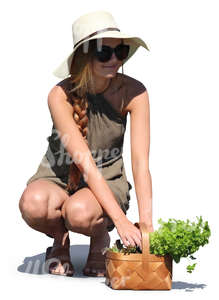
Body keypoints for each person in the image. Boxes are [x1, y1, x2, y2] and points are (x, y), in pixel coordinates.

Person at [19, 10, 154, 277]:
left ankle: (99, 239)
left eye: (121, 51)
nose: (114, 60)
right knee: (32, 203)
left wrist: (146, 224)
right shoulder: (59, 95)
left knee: (79, 212)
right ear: (84, 56)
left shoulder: (135, 93)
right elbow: (84, 163)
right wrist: (122, 221)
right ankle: (60, 239)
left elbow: (140, 163)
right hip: (59, 175)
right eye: (104, 53)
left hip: (107, 176)